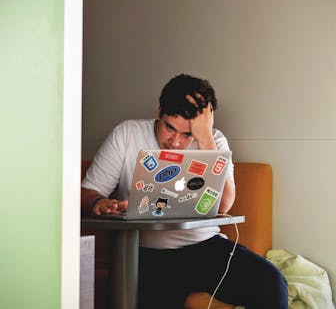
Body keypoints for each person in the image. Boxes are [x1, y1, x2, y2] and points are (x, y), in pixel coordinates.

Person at [80, 74, 288, 308]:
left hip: (204, 247)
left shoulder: (214, 141)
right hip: (145, 252)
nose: (176, 142)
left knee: (271, 282)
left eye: (187, 134)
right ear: (159, 112)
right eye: (170, 128)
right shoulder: (127, 134)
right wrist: (99, 202)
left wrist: (205, 138)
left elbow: (223, 206)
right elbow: (87, 192)